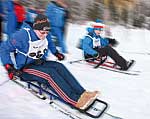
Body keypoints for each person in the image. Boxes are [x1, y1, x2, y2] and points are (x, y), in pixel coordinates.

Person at [0, 14, 99, 110]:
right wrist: (9, 67)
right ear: (35, 29)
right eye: (42, 33)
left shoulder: (45, 32)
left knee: (59, 66)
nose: (45, 35)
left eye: (47, 33)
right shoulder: (22, 35)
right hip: (25, 68)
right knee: (50, 75)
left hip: (39, 62)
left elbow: (50, 43)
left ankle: (82, 93)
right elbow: (4, 48)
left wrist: (56, 53)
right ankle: (75, 100)